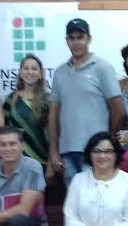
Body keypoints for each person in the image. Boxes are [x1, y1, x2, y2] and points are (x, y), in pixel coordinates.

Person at [48, 18, 123, 186]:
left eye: (80, 37)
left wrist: (108, 145)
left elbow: (118, 109)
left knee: (97, 199)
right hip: (67, 152)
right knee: (74, 201)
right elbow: (53, 113)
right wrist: (53, 150)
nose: (76, 42)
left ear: (89, 39)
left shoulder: (102, 68)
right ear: (66, 40)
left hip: (96, 153)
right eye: (72, 38)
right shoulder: (60, 72)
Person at [4, 54, 51, 170]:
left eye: (34, 69)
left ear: (40, 73)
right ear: (20, 73)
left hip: (44, 162)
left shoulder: (49, 99)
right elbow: (3, 128)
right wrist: (14, 131)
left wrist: (51, 162)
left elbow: (54, 133)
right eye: (26, 68)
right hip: (17, 162)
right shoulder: (11, 98)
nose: (30, 72)